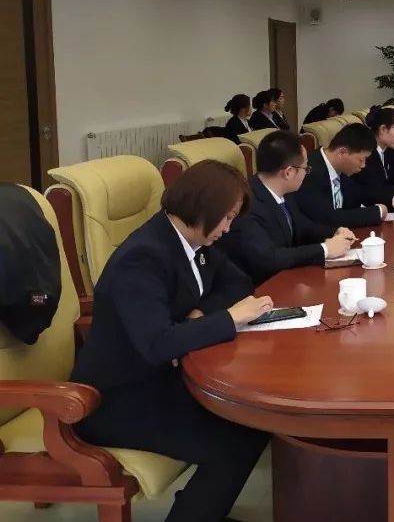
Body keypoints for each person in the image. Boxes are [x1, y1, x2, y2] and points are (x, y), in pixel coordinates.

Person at [70, 160, 271, 522]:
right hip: (115, 400)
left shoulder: (192, 240)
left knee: (253, 422)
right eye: (226, 218)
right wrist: (229, 318)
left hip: (163, 378)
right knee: (232, 441)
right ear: (202, 209)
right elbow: (157, 344)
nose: (228, 228)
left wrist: (199, 315)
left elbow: (238, 282)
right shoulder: (142, 257)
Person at [217, 130, 356, 285]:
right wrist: (325, 249)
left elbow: (302, 227)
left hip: (287, 278)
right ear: (289, 172)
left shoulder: (283, 192)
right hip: (260, 287)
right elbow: (270, 258)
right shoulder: (247, 204)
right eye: (305, 168)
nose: (307, 173)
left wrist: (334, 232)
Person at [296, 123, 394, 229]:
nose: (363, 166)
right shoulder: (310, 172)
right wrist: (376, 212)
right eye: (361, 160)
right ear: (342, 152)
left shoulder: (340, 170)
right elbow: (328, 218)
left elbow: (361, 193)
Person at [351, 106, 394, 206]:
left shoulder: (387, 151)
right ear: (383, 129)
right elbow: (374, 192)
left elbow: (393, 178)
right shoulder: (367, 155)